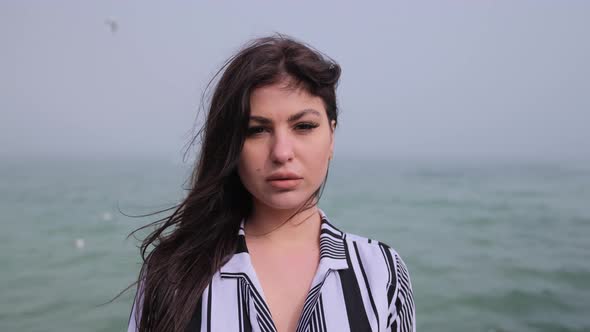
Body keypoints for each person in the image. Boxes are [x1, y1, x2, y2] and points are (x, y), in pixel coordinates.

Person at [127, 34, 415, 332]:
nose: (281, 152)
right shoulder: (173, 273)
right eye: (257, 130)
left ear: (331, 136)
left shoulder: (381, 271)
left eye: (303, 126)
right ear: (231, 145)